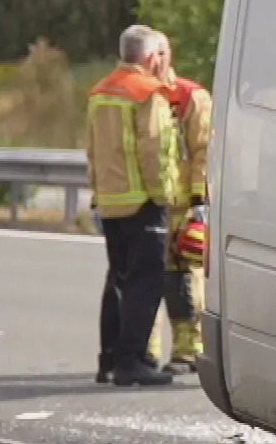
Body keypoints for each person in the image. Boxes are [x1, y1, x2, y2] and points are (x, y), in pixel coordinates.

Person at [88, 24, 183, 387]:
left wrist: (97, 195)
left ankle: (109, 359)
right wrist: (165, 196)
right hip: (143, 201)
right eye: (159, 55)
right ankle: (131, 361)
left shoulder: (100, 92)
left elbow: (92, 150)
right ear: (149, 57)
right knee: (146, 283)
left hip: (111, 202)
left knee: (118, 278)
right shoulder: (147, 94)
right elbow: (154, 151)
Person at [146, 36, 211, 375]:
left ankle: (188, 351)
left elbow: (202, 152)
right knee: (145, 281)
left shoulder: (190, 98)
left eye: (157, 54)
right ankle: (147, 352)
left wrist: (200, 203)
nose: (151, 61)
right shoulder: (138, 96)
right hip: (147, 203)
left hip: (182, 205)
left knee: (182, 280)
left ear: (166, 56)